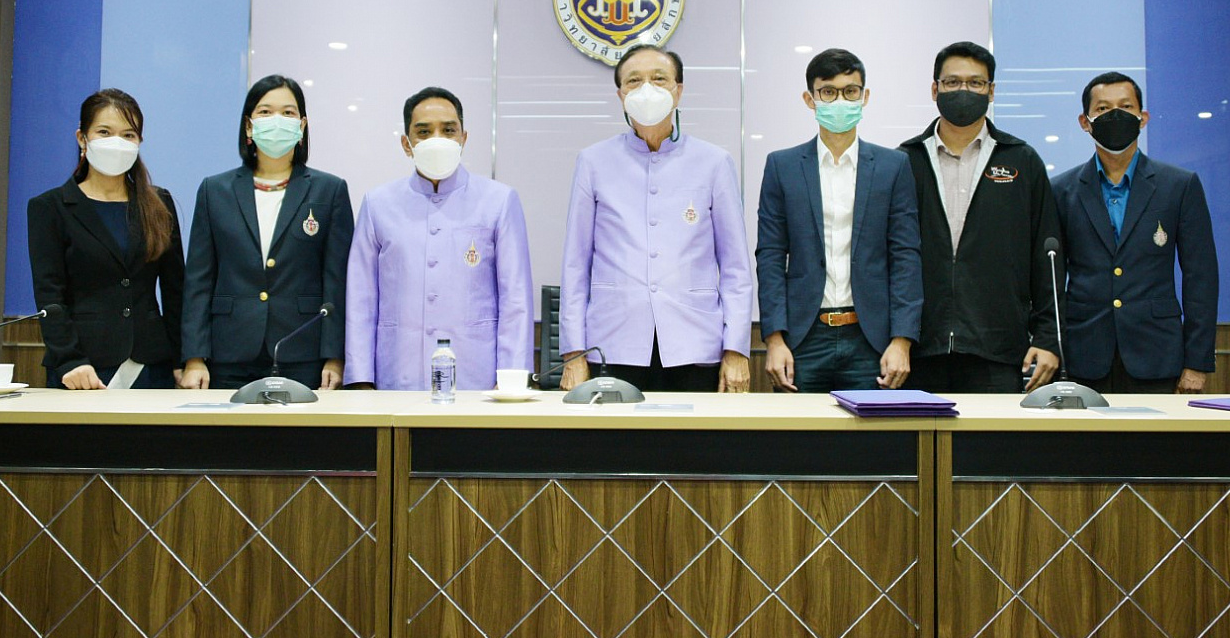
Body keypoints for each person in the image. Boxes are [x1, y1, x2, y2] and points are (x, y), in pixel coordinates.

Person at [559, 45, 753, 393]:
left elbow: (736, 268)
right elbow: (575, 265)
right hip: (613, 342)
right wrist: (574, 353)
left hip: (695, 343)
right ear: (621, 95)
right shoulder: (593, 162)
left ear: (678, 90)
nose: (646, 89)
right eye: (634, 81)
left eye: (659, 79)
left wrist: (736, 349)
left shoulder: (714, 162)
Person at [756, 49, 923, 392]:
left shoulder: (893, 167)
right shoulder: (782, 167)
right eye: (828, 92)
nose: (840, 101)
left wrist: (902, 339)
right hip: (802, 340)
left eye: (850, 91)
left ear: (865, 97)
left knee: (872, 430)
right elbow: (770, 256)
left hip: (871, 339)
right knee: (798, 427)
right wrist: (773, 339)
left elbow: (906, 255)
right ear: (810, 99)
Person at [345, 87, 533, 391]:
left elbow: (516, 299)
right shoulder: (378, 204)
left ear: (463, 139)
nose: (437, 139)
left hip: (477, 377)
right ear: (406, 144)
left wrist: (513, 379)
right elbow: (360, 300)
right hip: (397, 375)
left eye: (448, 130)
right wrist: (360, 379)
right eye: (423, 132)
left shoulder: (498, 201)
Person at [899, 42, 1061, 393]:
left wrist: (1048, 336)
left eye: (975, 83)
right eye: (952, 82)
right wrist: (896, 337)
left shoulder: (1021, 160)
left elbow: (1046, 257)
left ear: (991, 91)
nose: (964, 91)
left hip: (999, 350)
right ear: (934, 90)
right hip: (919, 350)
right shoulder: (904, 161)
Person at [179, 75, 353, 391]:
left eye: (287, 113)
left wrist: (335, 356)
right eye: (265, 112)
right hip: (228, 352)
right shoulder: (214, 191)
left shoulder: (330, 190)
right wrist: (194, 357)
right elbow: (199, 281)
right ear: (249, 126)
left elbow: (337, 282)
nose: (276, 120)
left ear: (302, 125)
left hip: (303, 351)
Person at [1052, 72, 1218, 393]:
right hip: (1082, 356)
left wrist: (1197, 362)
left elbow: (1201, 277)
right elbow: (1052, 280)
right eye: (1103, 109)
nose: (1115, 116)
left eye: (1126, 107)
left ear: (1143, 118)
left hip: (1157, 354)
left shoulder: (1179, 186)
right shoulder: (1061, 191)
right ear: (1085, 122)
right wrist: (1050, 347)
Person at [27, 89, 184, 389]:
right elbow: (50, 294)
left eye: (128, 135)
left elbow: (176, 290)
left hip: (151, 364)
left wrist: (183, 359)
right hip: (81, 369)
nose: (117, 142)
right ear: (82, 138)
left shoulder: (159, 203)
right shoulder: (50, 207)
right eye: (104, 132)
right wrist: (69, 360)